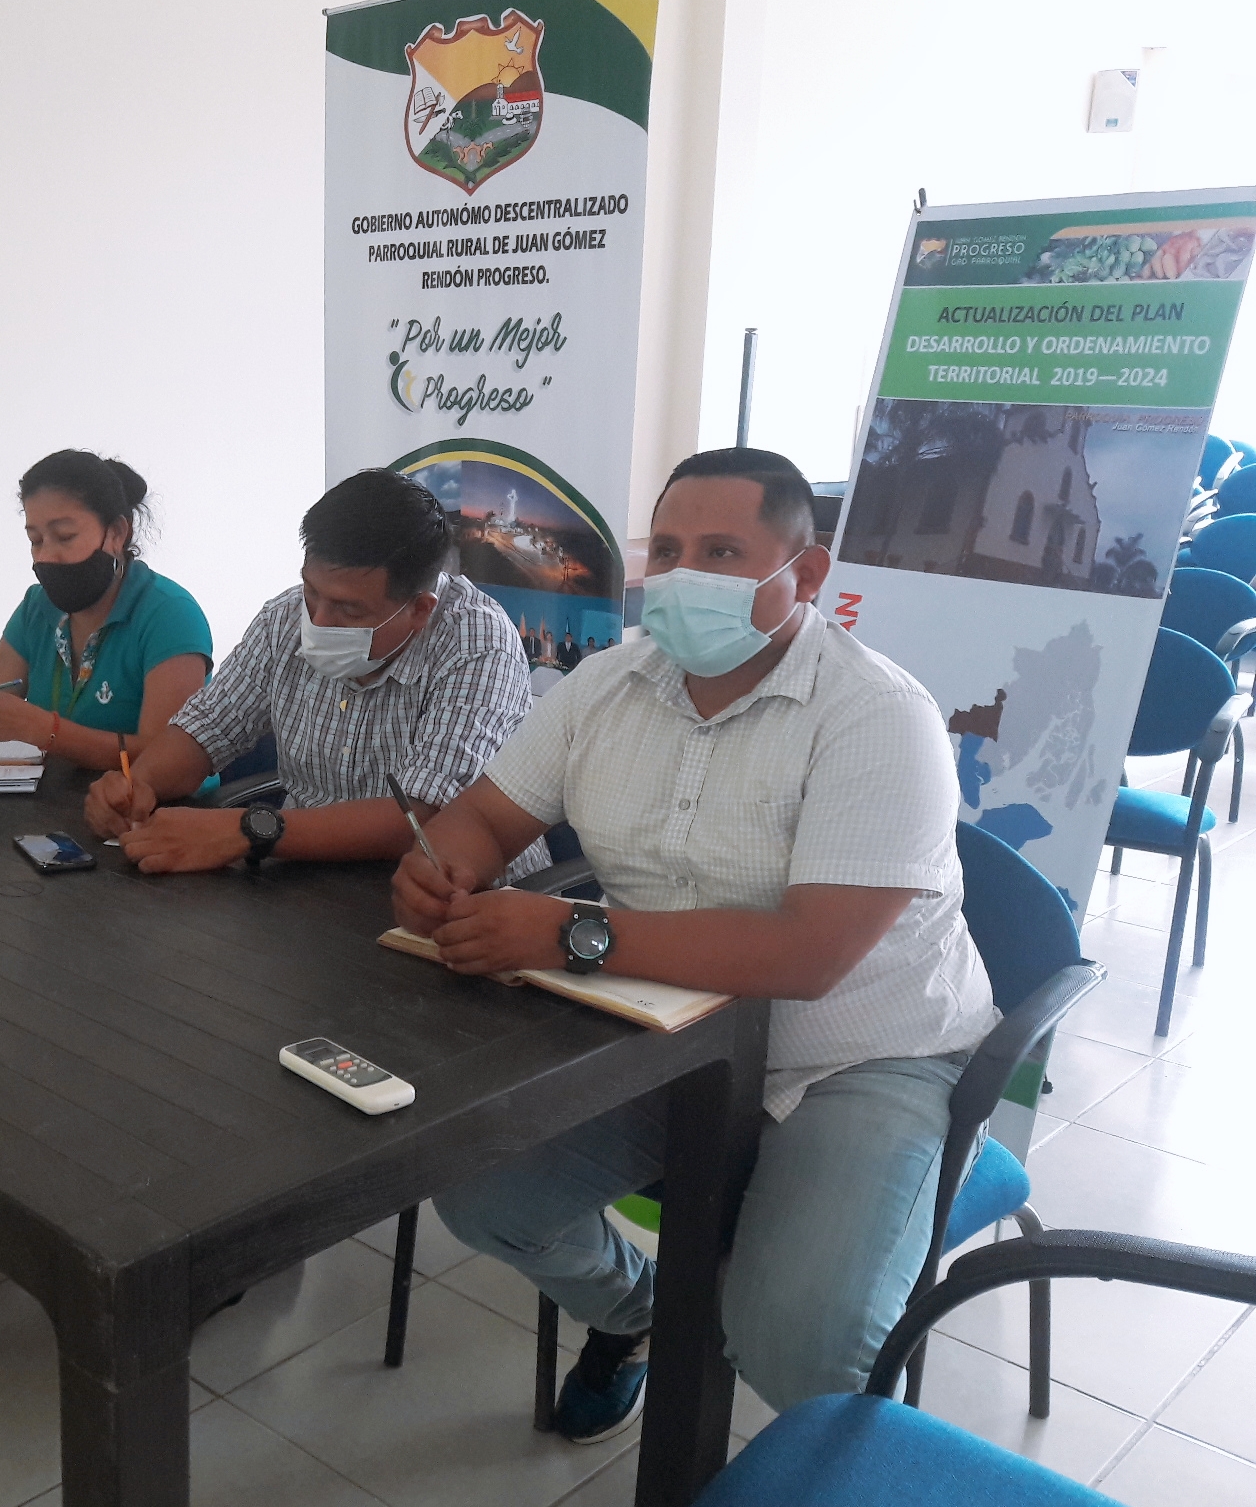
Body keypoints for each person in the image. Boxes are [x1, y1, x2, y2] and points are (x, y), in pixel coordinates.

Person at [391, 446, 995, 1441]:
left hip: (859, 1055)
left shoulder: (878, 716)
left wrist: (569, 932)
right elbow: (487, 817)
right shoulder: (603, 685)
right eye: (666, 549)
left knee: (801, 1339)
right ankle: (643, 1313)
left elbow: (808, 957)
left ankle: (837, 1456)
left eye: (720, 552)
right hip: (666, 1030)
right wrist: (441, 865)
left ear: (805, 573)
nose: (680, 576)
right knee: (483, 1194)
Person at [84, 468, 544, 875]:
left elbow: (420, 819)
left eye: (349, 609)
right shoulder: (285, 618)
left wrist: (248, 830)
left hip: (457, 897)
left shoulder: (477, 644)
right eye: (311, 591)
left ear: (420, 610)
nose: (318, 621)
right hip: (304, 876)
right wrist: (137, 786)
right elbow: (208, 728)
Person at [0, 450, 212, 771]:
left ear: (116, 533)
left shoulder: (170, 615)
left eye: (65, 537)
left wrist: (43, 730)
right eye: (36, 540)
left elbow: (169, 760)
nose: (45, 556)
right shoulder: (37, 607)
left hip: (154, 802)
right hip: (52, 795)